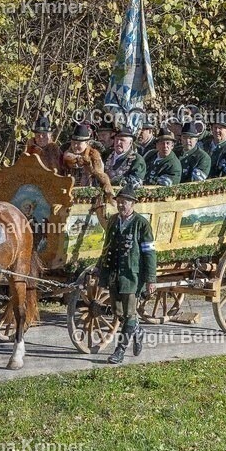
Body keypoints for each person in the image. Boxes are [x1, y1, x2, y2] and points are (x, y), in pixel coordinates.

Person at [96, 185, 156, 365]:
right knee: (118, 312)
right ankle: (137, 330)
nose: (121, 205)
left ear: (133, 204)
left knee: (129, 314)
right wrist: (100, 268)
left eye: (125, 202)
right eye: (119, 202)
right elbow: (106, 247)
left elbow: (149, 252)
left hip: (132, 276)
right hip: (115, 274)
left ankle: (119, 351)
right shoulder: (114, 220)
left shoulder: (142, 224)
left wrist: (150, 279)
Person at [61, 124, 113, 197]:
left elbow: (100, 174)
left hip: (89, 195)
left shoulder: (94, 156)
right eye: (73, 143)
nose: (75, 146)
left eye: (79, 143)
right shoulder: (64, 156)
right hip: (67, 195)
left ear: (87, 143)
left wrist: (106, 184)